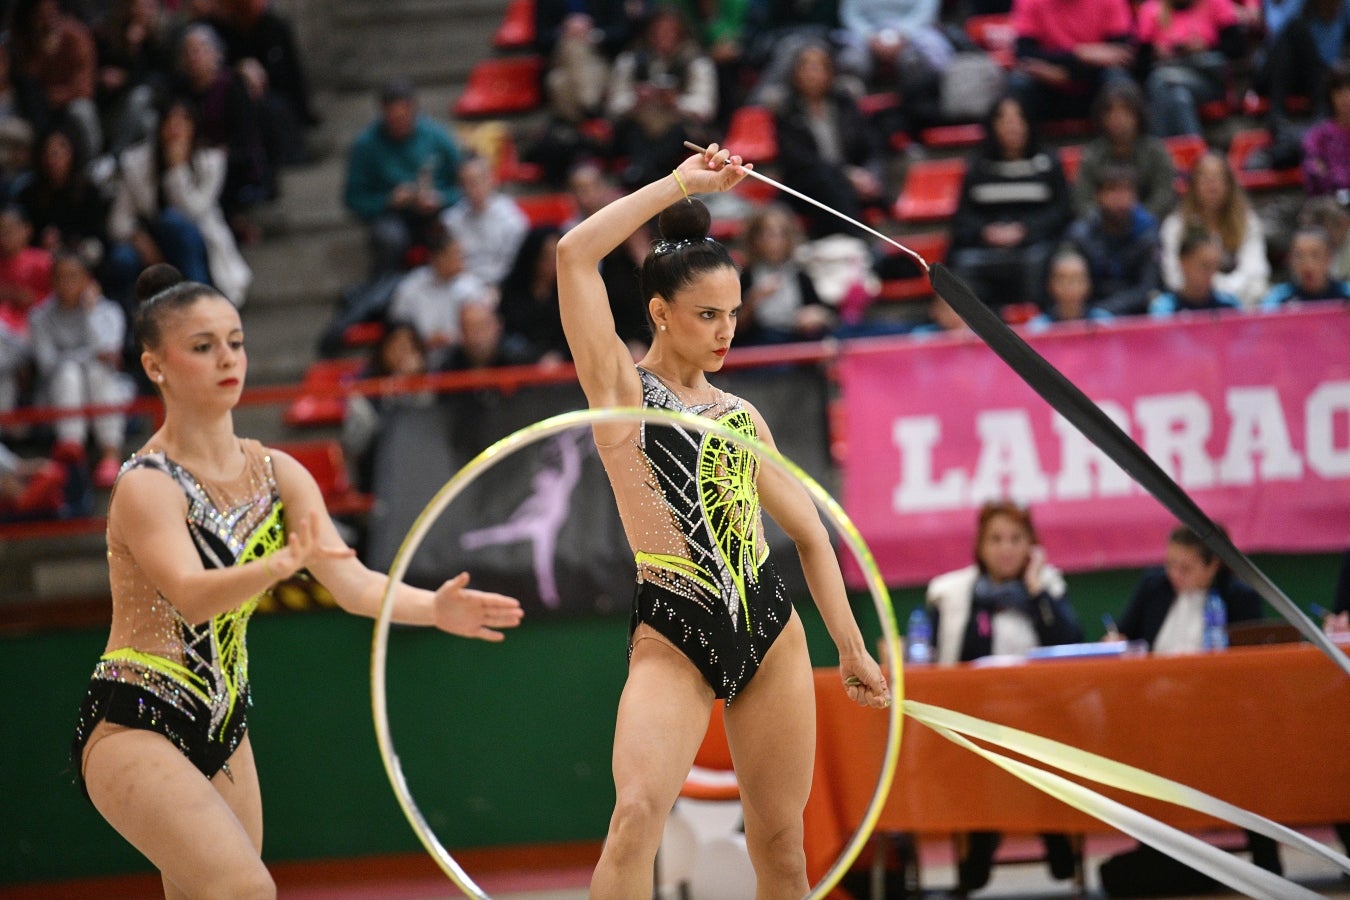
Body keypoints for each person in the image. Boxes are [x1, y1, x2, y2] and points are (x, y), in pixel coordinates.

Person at [69, 265, 524, 898]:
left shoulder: (279, 473)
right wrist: (276, 567)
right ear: (156, 366)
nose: (227, 358)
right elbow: (189, 592)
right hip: (136, 718)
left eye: (234, 341)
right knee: (247, 889)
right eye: (203, 347)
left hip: (225, 724)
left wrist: (432, 608)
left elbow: (353, 584)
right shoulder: (148, 484)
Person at [555, 144, 890, 897]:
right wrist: (678, 185)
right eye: (707, 315)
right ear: (659, 313)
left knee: (782, 847)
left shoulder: (741, 415)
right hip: (674, 628)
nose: (725, 331)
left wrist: (851, 648)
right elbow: (575, 254)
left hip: (770, 629)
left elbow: (809, 531)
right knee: (636, 816)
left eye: (733, 314)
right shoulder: (620, 392)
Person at [924, 499, 1083, 892]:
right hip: (976, 720)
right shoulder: (955, 594)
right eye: (995, 539)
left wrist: (1036, 593)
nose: (1006, 548)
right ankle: (980, 841)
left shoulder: (1047, 587)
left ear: (1031, 545)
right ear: (980, 545)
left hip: (1041, 718)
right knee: (968, 747)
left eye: (1016, 538)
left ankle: (1056, 835)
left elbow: (1071, 646)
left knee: (1056, 737)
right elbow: (952, 661)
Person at [1105, 524, 1279, 876]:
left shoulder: (1238, 597)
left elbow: (1253, 667)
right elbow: (1124, 639)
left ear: (1213, 565)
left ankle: (1266, 857)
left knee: (1246, 751)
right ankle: (1155, 854)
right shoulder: (1154, 586)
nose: (1174, 575)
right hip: (1157, 711)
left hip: (1219, 713)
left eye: (1185, 568)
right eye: (1170, 564)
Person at [107, 95, 252, 307]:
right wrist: (138, 238)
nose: (175, 127)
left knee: (172, 221)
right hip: (152, 238)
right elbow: (117, 220)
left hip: (197, 238)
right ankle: (130, 324)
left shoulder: (211, 161)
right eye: (170, 120)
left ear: (194, 127)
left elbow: (194, 212)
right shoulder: (136, 161)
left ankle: (198, 304)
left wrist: (177, 170)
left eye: (183, 121)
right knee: (122, 258)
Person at [948, 93, 1074, 309]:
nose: (1012, 127)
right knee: (962, 264)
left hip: (1035, 245)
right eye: (1004, 120)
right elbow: (963, 218)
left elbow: (1062, 211)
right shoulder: (978, 167)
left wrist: (1025, 231)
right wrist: (985, 232)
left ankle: (1038, 320)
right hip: (987, 250)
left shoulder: (1048, 163)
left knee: (1043, 260)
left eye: (1017, 119)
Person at [29, 248, 134, 488]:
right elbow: (47, 364)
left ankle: (110, 454)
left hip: (103, 388)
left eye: (74, 276)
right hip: (58, 393)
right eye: (61, 277)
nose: (67, 283)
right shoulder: (39, 316)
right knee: (69, 372)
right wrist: (87, 358)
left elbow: (110, 356)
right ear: (52, 281)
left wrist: (90, 312)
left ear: (88, 279)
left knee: (97, 371)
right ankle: (71, 448)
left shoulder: (108, 311)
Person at [344, 76, 463, 278]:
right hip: (391, 217)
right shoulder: (365, 146)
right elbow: (353, 199)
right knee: (390, 238)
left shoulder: (436, 136)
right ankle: (389, 289)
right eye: (394, 119)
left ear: (415, 109)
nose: (401, 125)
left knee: (455, 226)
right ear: (383, 113)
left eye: (406, 118)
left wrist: (442, 197)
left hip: (436, 211)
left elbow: (464, 182)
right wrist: (387, 201)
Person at [772, 41, 887, 240]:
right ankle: (858, 241)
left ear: (830, 72)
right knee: (826, 180)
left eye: (818, 67)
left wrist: (869, 175)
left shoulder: (845, 103)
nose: (812, 74)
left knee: (841, 187)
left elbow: (868, 145)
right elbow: (798, 159)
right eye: (806, 67)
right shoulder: (786, 110)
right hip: (805, 185)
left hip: (849, 182)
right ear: (795, 74)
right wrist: (846, 174)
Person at [604, 7, 717, 190]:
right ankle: (643, 172)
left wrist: (675, 102)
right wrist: (636, 100)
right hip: (639, 127)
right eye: (658, 32)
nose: (663, 37)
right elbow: (614, 105)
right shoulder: (631, 60)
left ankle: (642, 172)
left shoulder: (695, 61)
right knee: (632, 131)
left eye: (669, 32)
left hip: (679, 129)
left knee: (678, 134)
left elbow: (705, 107)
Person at [1159, 151, 1270, 308]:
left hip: (1241, 303)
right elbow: (1174, 277)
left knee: (1260, 291)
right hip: (1191, 304)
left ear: (1229, 184)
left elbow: (1256, 271)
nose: (1212, 184)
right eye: (1204, 177)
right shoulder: (1176, 226)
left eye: (1218, 177)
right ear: (1193, 185)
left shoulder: (1248, 222)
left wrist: (1220, 291)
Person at [1007, 0, 1135, 124]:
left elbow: (1122, 55)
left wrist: (1068, 75)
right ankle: (1027, 145)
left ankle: (1127, 146)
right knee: (1020, 82)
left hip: (1093, 83)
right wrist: (1080, 54)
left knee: (1118, 79)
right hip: (1047, 86)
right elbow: (1024, 55)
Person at [385, 226, 495, 369]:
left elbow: (486, 326)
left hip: (463, 360)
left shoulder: (471, 286)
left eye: (461, 256)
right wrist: (424, 342)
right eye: (454, 256)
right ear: (436, 258)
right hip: (421, 361)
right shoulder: (410, 288)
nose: (461, 262)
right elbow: (397, 330)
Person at [1135, 0, 1246, 138]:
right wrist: (1155, 53)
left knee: (1159, 79)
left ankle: (1158, 148)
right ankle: (1197, 152)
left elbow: (1237, 48)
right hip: (1172, 74)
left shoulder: (1216, 3)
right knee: (1179, 98)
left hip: (1209, 79)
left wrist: (1206, 47)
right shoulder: (1151, 9)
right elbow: (1140, 65)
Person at [1073, 79, 1179, 223]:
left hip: (1150, 227)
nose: (1117, 118)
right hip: (1102, 230)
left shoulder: (1156, 152)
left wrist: (1139, 221)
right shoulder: (1092, 154)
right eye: (1110, 111)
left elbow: (1164, 195)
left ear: (1137, 115)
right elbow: (1082, 201)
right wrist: (1105, 224)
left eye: (1125, 111)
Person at [1062, 163, 1162, 315]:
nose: (1120, 199)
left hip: (1137, 315)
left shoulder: (1148, 233)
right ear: (1098, 196)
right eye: (1113, 190)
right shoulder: (1081, 235)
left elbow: (1148, 288)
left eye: (1126, 191)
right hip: (1087, 316)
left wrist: (1109, 309)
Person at [736, 203, 833, 344]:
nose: (774, 241)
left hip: (796, 337)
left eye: (781, 234)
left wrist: (816, 316)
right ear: (754, 239)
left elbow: (822, 312)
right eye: (768, 234)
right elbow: (734, 328)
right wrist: (752, 301)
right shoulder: (746, 275)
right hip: (761, 341)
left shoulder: (800, 274)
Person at [440, 154, 529, 287]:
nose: (472, 189)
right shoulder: (450, 220)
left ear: (491, 180)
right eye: (466, 183)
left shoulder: (512, 218)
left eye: (476, 181)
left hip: (505, 284)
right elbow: (451, 264)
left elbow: (517, 262)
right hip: (463, 285)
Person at [497, 224, 569, 365]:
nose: (553, 264)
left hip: (565, 369)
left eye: (557, 256)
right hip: (520, 367)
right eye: (547, 257)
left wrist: (560, 355)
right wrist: (534, 358)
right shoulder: (512, 292)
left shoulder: (572, 293)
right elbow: (507, 335)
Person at [1150, 227, 1242, 315]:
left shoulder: (1229, 305)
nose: (1211, 273)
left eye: (1215, 266)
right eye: (1205, 266)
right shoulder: (1165, 308)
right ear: (1183, 262)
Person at [1259, 224, 1350, 307]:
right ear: (1290, 259)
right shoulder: (1278, 298)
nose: (1307, 264)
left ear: (1329, 257)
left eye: (1315, 255)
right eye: (1298, 256)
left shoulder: (1346, 294)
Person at [1027, 246, 1114, 329]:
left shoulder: (1104, 323)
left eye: (1077, 279)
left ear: (1088, 284)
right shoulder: (1038, 328)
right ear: (1050, 285)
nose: (1070, 286)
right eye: (1063, 279)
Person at [1301, 59, 1350, 197]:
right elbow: (1315, 173)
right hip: (1330, 204)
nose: (1346, 97)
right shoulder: (1317, 136)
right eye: (1339, 91)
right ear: (1331, 95)